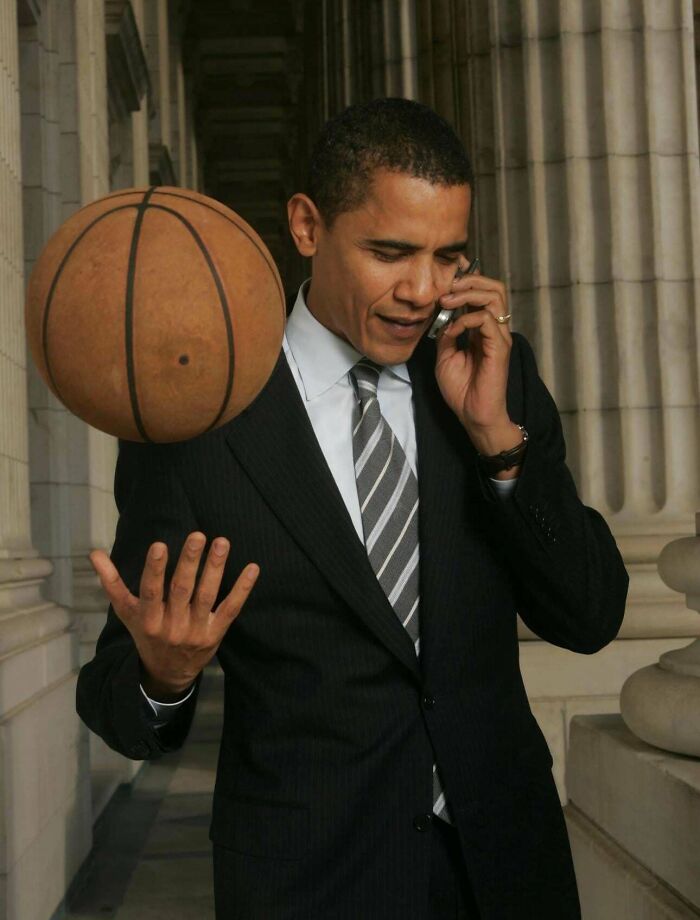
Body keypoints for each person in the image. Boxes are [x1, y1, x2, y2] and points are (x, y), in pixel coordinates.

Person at [76, 98, 629, 919]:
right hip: (311, 883)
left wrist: (499, 445)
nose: (422, 290)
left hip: (507, 871)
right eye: (390, 252)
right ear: (307, 225)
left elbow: (588, 614)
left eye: (449, 257)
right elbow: (117, 703)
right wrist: (165, 672)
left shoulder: (493, 378)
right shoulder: (198, 423)